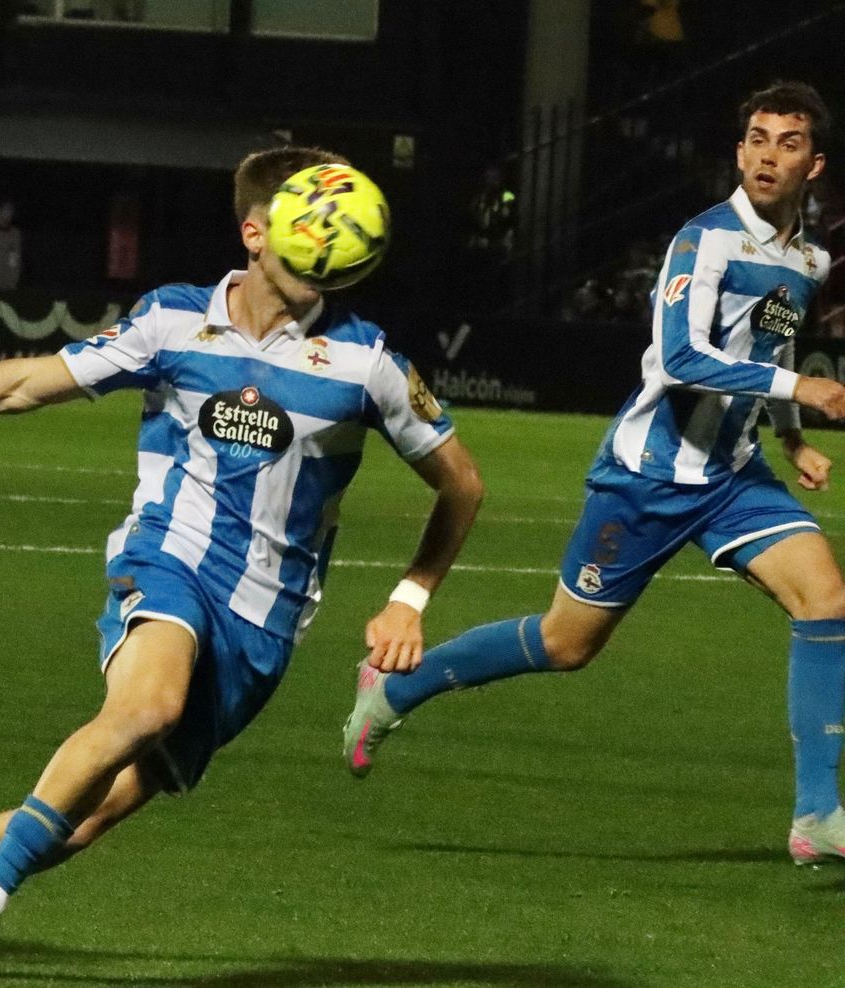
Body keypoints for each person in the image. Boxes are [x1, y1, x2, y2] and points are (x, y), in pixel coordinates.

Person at [0, 147, 486, 979]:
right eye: (309, 250)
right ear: (256, 234)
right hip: (167, 562)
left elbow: (463, 486)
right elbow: (27, 383)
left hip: (264, 621)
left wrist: (411, 597)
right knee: (148, 705)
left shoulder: (366, 362)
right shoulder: (171, 322)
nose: (325, 270)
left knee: (91, 813)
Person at [342, 81, 845, 865]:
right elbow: (681, 360)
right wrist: (802, 390)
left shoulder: (808, 259)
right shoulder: (704, 241)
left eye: (786, 142)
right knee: (566, 644)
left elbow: (768, 343)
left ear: (815, 164)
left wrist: (790, 439)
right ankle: (394, 688)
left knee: (828, 598)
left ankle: (816, 814)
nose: (765, 154)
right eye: (754, 138)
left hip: (734, 476)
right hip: (646, 477)